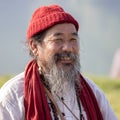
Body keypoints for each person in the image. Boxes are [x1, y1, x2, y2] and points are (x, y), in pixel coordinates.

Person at [0, 4, 117, 120]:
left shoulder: (93, 93)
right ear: (35, 47)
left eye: (73, 39)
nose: (68, 48)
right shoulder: (14, 97)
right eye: (58, 40)